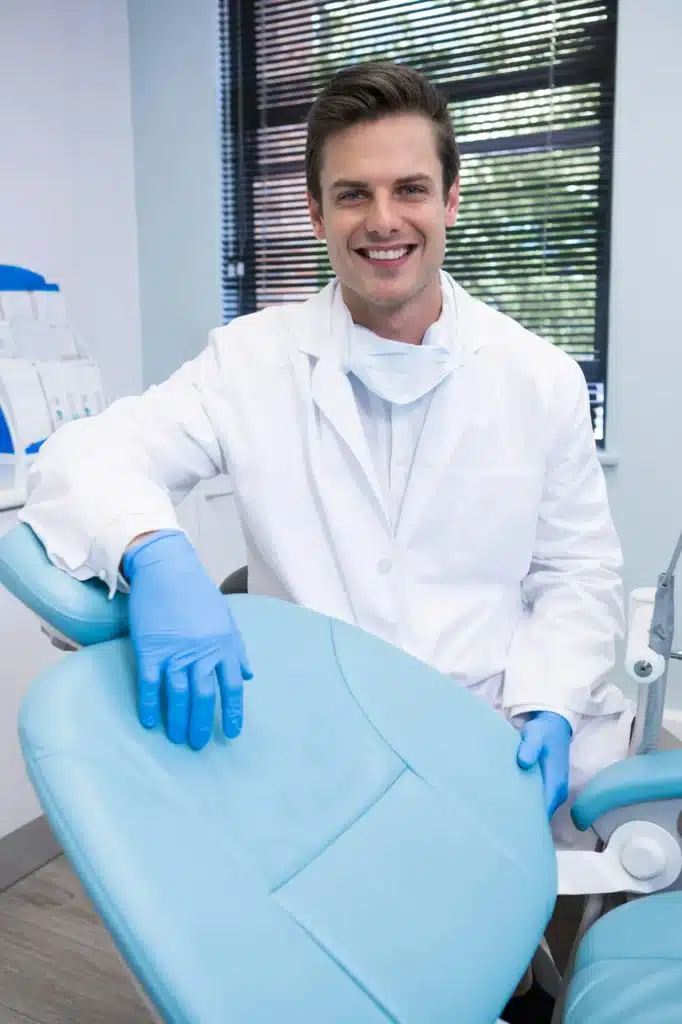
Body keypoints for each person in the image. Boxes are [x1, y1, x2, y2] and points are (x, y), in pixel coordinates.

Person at [19, 61, 633, 853]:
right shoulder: (249, 361)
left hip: (489, 727)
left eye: (410, 189)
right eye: (353, 194)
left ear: (450, 200)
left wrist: (549, 703)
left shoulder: (538, 375)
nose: (384, 220)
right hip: (313, 744)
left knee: (496, 941)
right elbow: (82, 454)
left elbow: (578, 573)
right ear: (314, 211)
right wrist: (153, 550)